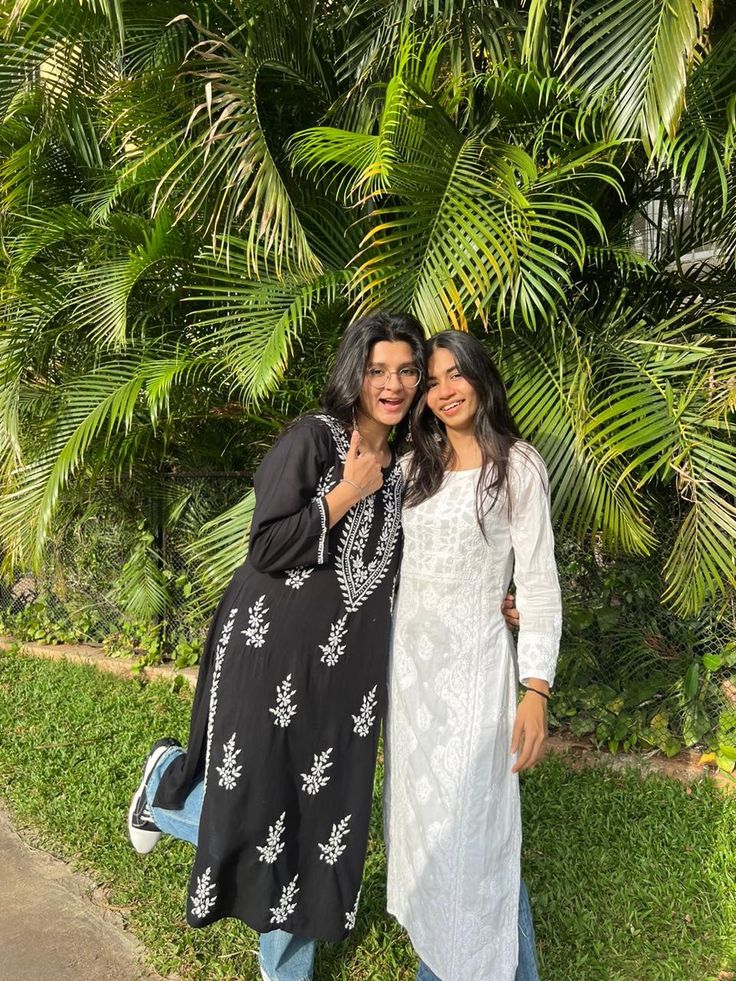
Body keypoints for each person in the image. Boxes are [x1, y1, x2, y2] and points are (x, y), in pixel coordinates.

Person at [127, 312, 426, 981]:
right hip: (273, 652)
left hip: (349, 674)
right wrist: (348, 490)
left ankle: (283, 966)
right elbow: (265, 544)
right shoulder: (314, 440)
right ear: (356, 369)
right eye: (379, 368)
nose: (393, 383)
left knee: (321, 814)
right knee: (258, 802)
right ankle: (164, 790)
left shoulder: (409, 466)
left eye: (407, 369)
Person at [384, 330, 561, 981]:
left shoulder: (517, 466)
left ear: (481, 378)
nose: (445, 389)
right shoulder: (411, 470)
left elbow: (538, 581)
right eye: (432, 381)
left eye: (455, 374)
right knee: (433, 835)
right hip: (412, 686)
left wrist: (535, 688)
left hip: (476, 682)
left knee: (478, 838)